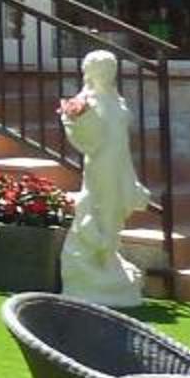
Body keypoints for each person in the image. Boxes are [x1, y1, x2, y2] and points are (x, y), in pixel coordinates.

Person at [57, 48, 150, 308]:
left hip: (120, 161)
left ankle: (109, 255)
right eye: (103, 69)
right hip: (101, 165)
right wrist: (77, 118)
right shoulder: (86, 101)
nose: (108, 74)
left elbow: (121, 134)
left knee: (117, 209)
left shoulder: (115, 99)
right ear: (91, 72)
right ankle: (101, 256)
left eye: (111, 69)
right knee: (103, 208)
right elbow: (83, 136)